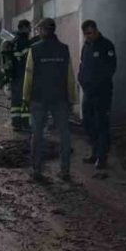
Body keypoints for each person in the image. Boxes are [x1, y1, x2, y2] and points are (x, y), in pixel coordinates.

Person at [23, 18, 77, 181]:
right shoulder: (64, 49)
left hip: (39, 98)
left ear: (42, 31)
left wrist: (26, 97)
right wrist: (72, 98)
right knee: (64, 134)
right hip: (60, 98)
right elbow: (70, 76)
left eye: (39, 29)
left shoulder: (34, 49)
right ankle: (65, 170)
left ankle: (37, 170)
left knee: (37, 134)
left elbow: (28, 75)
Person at [78, 20, 117, 170]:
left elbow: (110, 68)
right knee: (87, 123)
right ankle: (94, 152)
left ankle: (102, 157)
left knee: (102, 124)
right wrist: (81, 79)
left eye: (90, 33)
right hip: (88, 92)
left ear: (95, 30)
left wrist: (96, 84)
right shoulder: (86, 46)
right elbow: (82, 65)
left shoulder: (106, 45)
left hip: (102, 92)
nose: (87, 36)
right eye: (85, 34)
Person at [7, 19, 35, 131]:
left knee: (16, 101)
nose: (30, 29)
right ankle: (25, 123)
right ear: (23, 27)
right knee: (25, 99)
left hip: (14, 75)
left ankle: (16, 123)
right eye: (29, 27)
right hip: (23, 74)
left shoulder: (13, 40)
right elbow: (28, 59)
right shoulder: (24, 41)